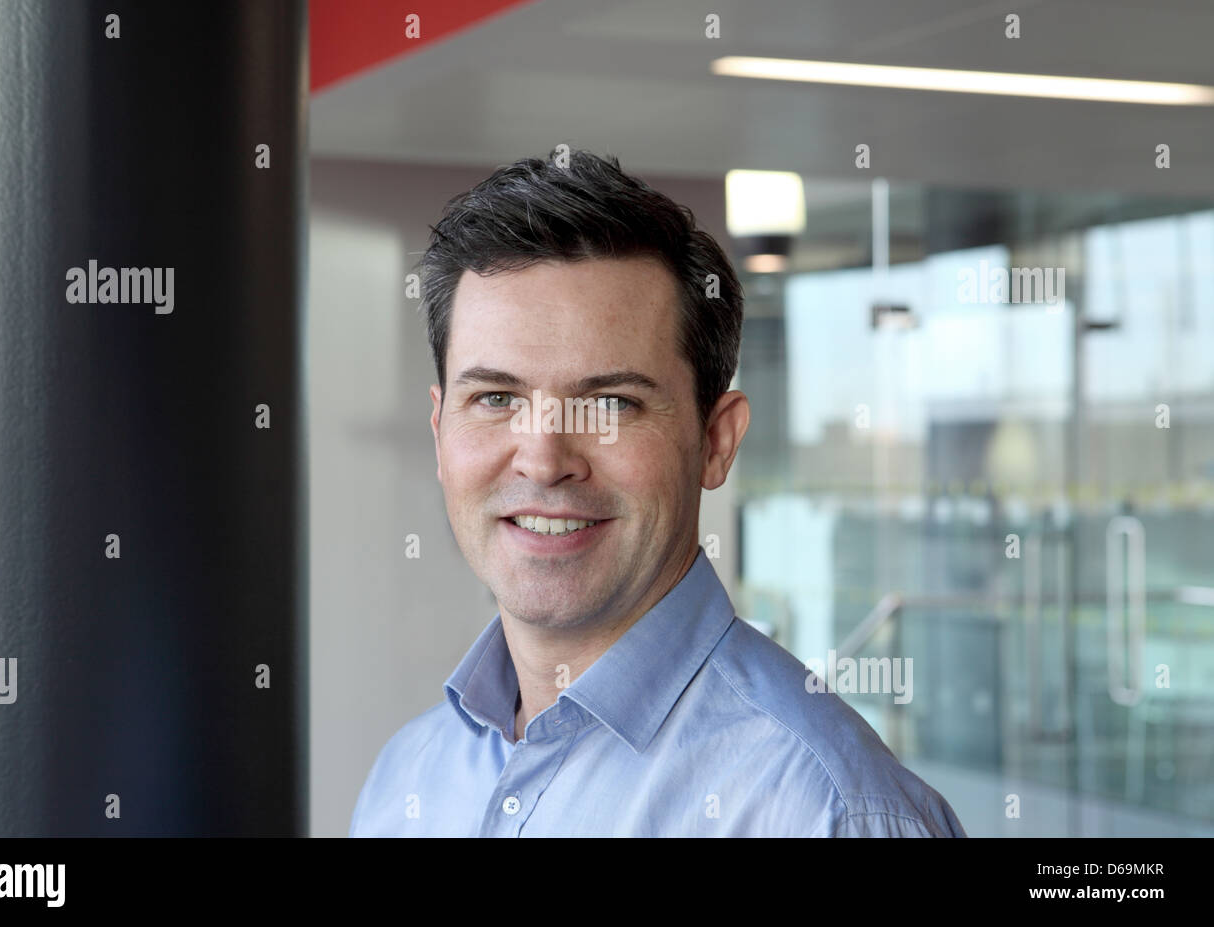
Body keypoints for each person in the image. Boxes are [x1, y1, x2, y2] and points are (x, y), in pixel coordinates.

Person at [350, 149, 965, 837]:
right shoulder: (406, 777)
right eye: (495, 397)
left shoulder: (829, 813)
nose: (545, 459)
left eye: (611, 403)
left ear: (717, 440)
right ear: (440, 431)